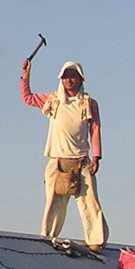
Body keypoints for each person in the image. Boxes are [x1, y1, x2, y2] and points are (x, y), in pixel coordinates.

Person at [19, 57, 108, 250]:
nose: (69, 80)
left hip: (81, 161)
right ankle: (47, 239)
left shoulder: (88, 103)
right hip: (58, 161)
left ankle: (96, 242)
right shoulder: (53, 100)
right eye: (65, 77)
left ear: (81, 79)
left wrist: (96, 157)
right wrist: (25, 75)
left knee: (89, 202)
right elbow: (27, 98)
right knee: (54, 202)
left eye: (73, 76)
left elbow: (95, 129)